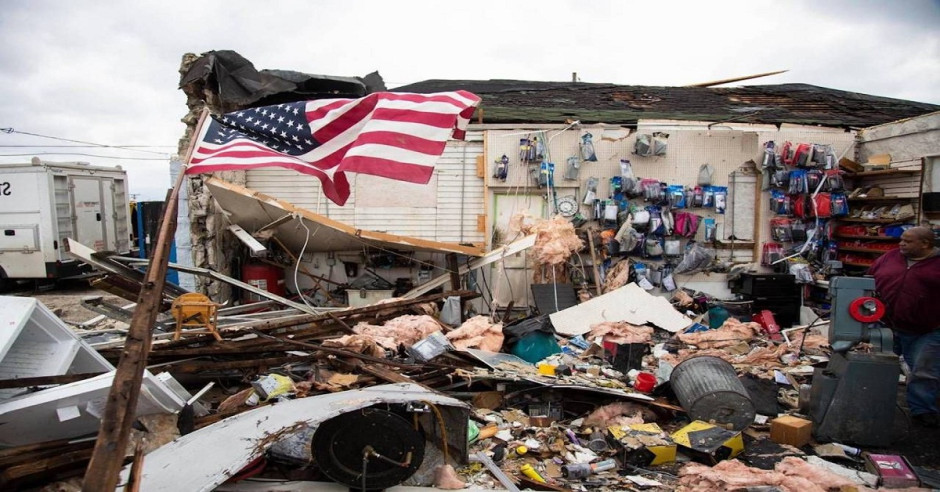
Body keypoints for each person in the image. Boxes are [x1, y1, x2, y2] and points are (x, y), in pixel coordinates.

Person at [868, 226, 940, 428]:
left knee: (924, 371)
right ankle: (872, 403)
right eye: (901, 240)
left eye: (907, 241)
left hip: (927, 329)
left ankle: (923, 410)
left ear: (925, 243)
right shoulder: (890, 257)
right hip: (887, 325)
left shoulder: (937, 264)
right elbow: (868, 278)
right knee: (877, 365)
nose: (901, 244)